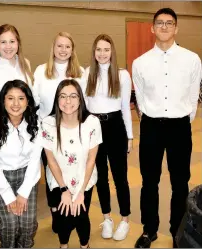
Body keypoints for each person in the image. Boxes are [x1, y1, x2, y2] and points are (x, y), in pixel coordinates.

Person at [132, 8, 202, 248]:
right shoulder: (140, 63)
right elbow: (139, 100)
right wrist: (152, 117)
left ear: (176, 28)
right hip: (151, 126)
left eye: (169, 23)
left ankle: (177, 231)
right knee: (148, 182)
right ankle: (148, 231)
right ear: (152, 28)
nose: (164, 27)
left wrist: (182, 118)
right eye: (159, 23)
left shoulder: (192, 59)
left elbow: (194, 98)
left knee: (180, 183)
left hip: (180, 127)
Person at [82, 34, 133, 241]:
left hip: (115, 127)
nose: (102, 54)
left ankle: (125, 220)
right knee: (100, 177)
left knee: (120, 177)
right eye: (98, 50)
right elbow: (83, 108)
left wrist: (129, 136)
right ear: (94, 52)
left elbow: (126, 109)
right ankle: (107, 218)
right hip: (94, 128)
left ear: (112, 52)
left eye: (106, 49)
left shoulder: (122, 75)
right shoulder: (87, 74)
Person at [33, 31, 85, 232]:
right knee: (51, 172)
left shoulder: (80, 72)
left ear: (72, 50)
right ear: (53, 48)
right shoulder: (41, 71)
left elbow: (84, 103)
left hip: (73, 131)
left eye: (67, 46)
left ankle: (74, 205)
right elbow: (35, 101)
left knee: (72, 170)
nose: (63, 50)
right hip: (49, 130)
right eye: (59, 46)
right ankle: (55, 209)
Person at [40, 79, 102, 248]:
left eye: (73, 96)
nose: (68, 101)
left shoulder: (92, 123)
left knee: (81, 216)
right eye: (63, 96)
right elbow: (50, 160)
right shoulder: (48, 123)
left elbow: (91, 160)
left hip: (84, 179)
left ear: (80, 99)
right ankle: (63, 245)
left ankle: (85, 245)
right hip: (59, 180)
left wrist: (80, 191)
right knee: (63, 219)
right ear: (57, 100)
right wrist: (64, 189)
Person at [0, 80, 42, 248]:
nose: (16, 104)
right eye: (10, 98)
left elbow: (35, 161)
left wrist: (23, 193)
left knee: (28, 224)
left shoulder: (36, 124)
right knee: (10, 224)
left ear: (28, 101)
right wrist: (9, 196)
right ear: (3, 101)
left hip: (26, 176)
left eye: (21, 98)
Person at [0, 24, 33, 101]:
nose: (8, 46)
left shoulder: (25, 63)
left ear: (18, 43)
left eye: (12, 41)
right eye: (3, 42)